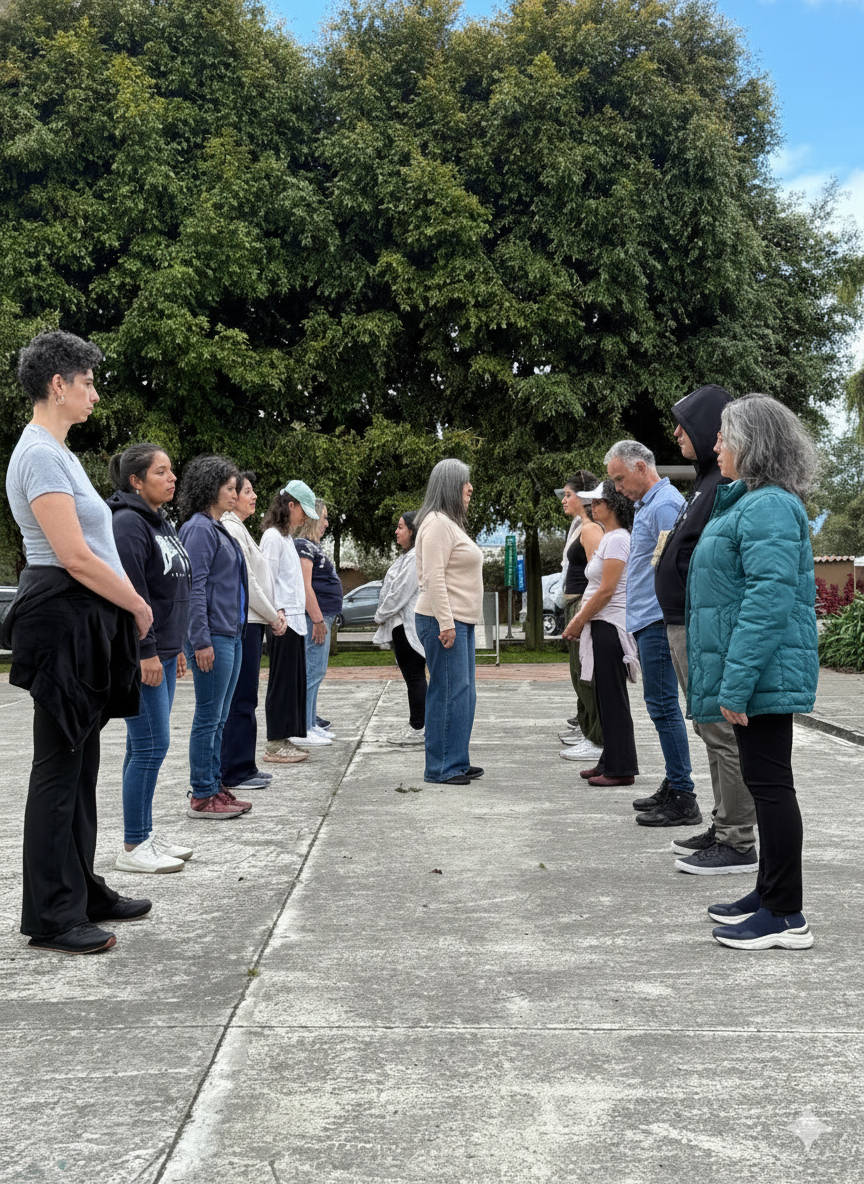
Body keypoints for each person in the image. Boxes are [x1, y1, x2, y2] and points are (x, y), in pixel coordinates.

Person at [3, 330, 153, 954]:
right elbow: (72, 555)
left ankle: (81, 888)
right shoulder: (38, 453)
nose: (94, 391)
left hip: (81, 617)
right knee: (59, 767)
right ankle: (53, 915)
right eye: (86, 381)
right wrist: (137, 603)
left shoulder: (58, 453)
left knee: (81, 763)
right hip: (62, 615)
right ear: (57, 385)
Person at [686, 394, 818, 950]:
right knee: (766, 786)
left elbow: (768, 600)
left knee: (771, 786)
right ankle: (768, 894)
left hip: (761, 675)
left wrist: (735, 682)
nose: (716, 445)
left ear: (752, 443)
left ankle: (786, 913)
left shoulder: (767, 507)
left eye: (724, 436)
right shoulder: (750, 502)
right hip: (756, 672)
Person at [653, 386, 758, 876]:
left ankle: (738, 839)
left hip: (703, 625)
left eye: (683, 425)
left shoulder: (724, 483)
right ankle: (722, 824)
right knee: (706, 727)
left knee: (720, 732)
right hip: (684, 623)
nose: (677, 434)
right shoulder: (705, 482)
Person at [108, 443, 194, 873]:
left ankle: (142, 832)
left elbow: (172, 591)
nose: (172, 477)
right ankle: (134, 844)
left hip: (163, 651)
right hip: (142, 655)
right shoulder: (127, 524)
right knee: (152, 745)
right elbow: (133, 593)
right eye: (162, 471)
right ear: (135, 480)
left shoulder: (162, 524)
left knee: (141, 746)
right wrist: (147, 651)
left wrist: (173, 648)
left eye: (171, 470)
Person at [606, 440, 700, 828]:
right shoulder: (650, 504)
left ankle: (683, 794)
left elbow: (680, 561)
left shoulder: (664, 504)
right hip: (648, 619)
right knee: (660, 707)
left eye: (620, 478)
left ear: (642, 467)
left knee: (663, 706)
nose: (618, 488)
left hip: (659, 620)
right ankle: (675, 780)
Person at [177, 456, 252, 819]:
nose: (235, 494)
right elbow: (193, 588)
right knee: (208, 715)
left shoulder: (217, 527)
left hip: (230, 633)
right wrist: (200, 640)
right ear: (211, 489)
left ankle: (214, 783)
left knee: (220, 717)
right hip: (213, 636)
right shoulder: (199, 529)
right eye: (229, 488)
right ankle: (202, 793)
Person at [220, 471, 298, 787]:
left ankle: (244, 766)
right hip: (246, 621)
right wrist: (273, 615)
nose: (254, 497)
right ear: (231, 495)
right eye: (247, 491)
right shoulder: (231, 529)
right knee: (240, 699)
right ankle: (235, 770)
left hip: (254, 621)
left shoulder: (240, 529)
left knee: (245, 697)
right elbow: (248, 583)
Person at [561, 480, 639, 785]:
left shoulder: (618, 539)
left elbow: (606, 590)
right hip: (600, 624)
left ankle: (621, 768)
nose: (593, 506)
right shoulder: (609, 537)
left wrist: (579, 620)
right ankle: (609, 760)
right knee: (604, 696)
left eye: (599, 502)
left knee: (612, 697)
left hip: (610, 625)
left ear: (615, 506)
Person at [414, 459, 484, 786]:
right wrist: (446, 622)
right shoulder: (437, 523)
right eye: (464, 483)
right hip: (444, 620)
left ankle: (456, 758)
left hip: (460, 620)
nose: (470, 488)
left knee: (463, 693)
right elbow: (433, 576)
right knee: (448, 693)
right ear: (450, 487)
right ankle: (442, 766)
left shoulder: (450, 523)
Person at [259, 482, 314, 762]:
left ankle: (285, 737)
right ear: (290, 506)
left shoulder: (286, 537)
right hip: (282, 620)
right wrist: (276, 611)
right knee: (281, 683)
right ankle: (274, 743)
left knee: (292, 684)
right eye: (303, 511)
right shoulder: (271, 536)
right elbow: (267, 578)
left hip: (294, 620)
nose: (305, 518)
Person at [557, 472, 605, 762]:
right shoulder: (581, 526)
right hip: (574, 605)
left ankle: (597, 738)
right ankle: (589, 731)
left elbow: (598, 577)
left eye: (568, 495)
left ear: (584, 497)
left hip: (583, 607)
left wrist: (584, 615)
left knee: (586, 675)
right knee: (578, 674)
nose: (564, 500)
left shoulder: (591, 529)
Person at [373, 511, 426, 744]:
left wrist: (379, 615)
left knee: (414, 677)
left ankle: (419, 728)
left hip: (407, 626)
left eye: (401, 527)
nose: (396, 531)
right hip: (401, 626)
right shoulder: (408, 557)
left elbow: (399, 593)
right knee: (413, 678)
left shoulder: (415, 557)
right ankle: (419, 725)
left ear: (412, 532)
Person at [294, 497, 343, 746]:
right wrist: (317, 619)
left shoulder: (312, 546)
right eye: (323, 517)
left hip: (322, 615)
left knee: (317, 671)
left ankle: (310, 722)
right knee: (311, 672)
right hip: (315, 617)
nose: (326, 523)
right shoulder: (303, 545)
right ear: (313, 518)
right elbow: (305, 586)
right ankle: (304, 726)